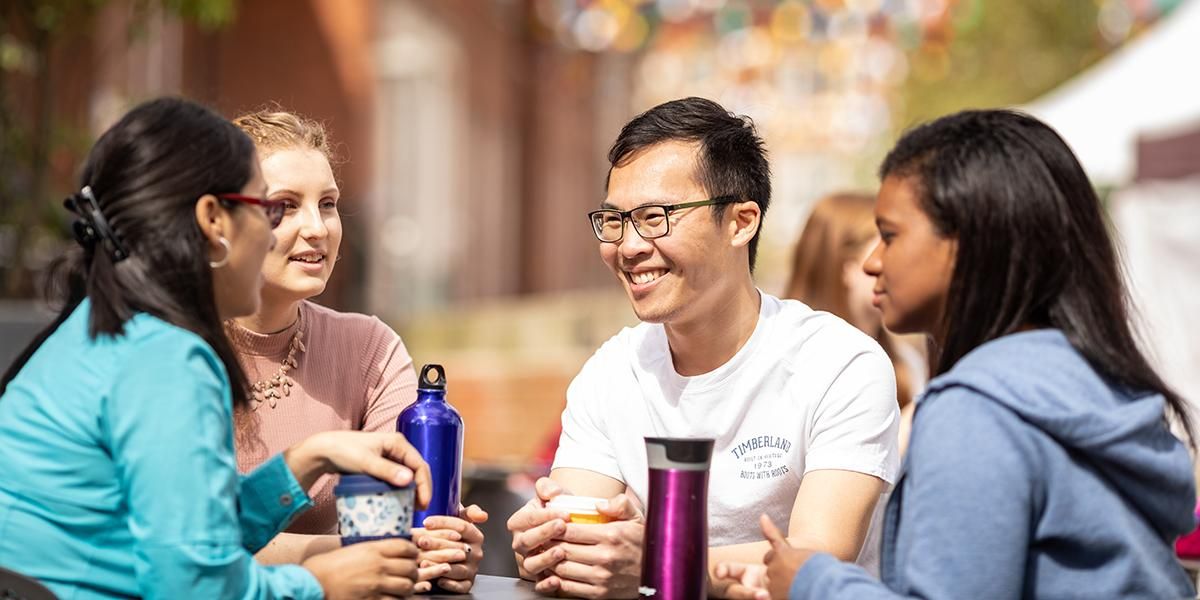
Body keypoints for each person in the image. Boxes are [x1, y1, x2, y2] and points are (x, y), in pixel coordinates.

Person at [721, 109, 1197, 599]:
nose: (873, 262)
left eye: (890, 235)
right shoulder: (1096, 380)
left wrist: (812, 583)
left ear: (968, 242)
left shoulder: (978, 411)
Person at [0, 97, 433, 599]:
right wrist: (320, 583)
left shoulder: (103, 329)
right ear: (213, 221)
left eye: (327, 204)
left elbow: (193, 537)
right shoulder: (167, 358)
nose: (309, 229)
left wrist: (306, 460)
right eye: (269, 208)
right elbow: (194, 587)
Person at [506, 97, 901, 598]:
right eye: (614, 221)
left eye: (655, 217)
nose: (628, 246)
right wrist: (546, 545)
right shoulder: (612, 372)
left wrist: (653, 560)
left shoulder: (840, 363)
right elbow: (572, 532)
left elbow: (815, 557)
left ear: (740, 222)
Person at [228, 109, 486, 592]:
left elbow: (405, 516)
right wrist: (374, 554)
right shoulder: (176, 348)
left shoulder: (371, 347)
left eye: (327, 204)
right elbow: (193, 543)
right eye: (284, 205)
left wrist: (445, 546)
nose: (318, 228)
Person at [784, 192, 926, 452]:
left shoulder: (907, 363)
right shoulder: (790, 364)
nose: (893, 265)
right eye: (884, 245)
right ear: (845, 266)